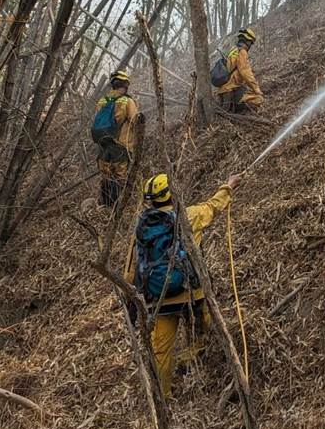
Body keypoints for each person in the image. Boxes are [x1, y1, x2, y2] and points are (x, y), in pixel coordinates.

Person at [124, 171, 241, 397]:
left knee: (161, 351)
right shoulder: (187, 216)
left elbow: (131, 268)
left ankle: (162, 396)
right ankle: (192, 357)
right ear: (171, 194)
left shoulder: (141, 228)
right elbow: (213, 206)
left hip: (159, 301)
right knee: (203, 328)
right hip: (191, 294)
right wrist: (228, 186)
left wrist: (131, 296)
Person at [91, 69, 138, 208]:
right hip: (121, 145)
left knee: (106, 174)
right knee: (119, 175)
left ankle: (106, 205)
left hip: (103, 145)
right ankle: (118, 207)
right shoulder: (127, 101)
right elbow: (135, 120)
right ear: (126, 84)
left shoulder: (102, 101)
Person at [213, 27, 263, 114]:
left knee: (224, 114)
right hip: (231, 88)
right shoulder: (242, 52)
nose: (250, 46)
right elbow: (246, 73)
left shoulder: (233, 49)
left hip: (224, 88)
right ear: (247, 42)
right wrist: (257, 90)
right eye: (251, 43)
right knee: (259, 99)